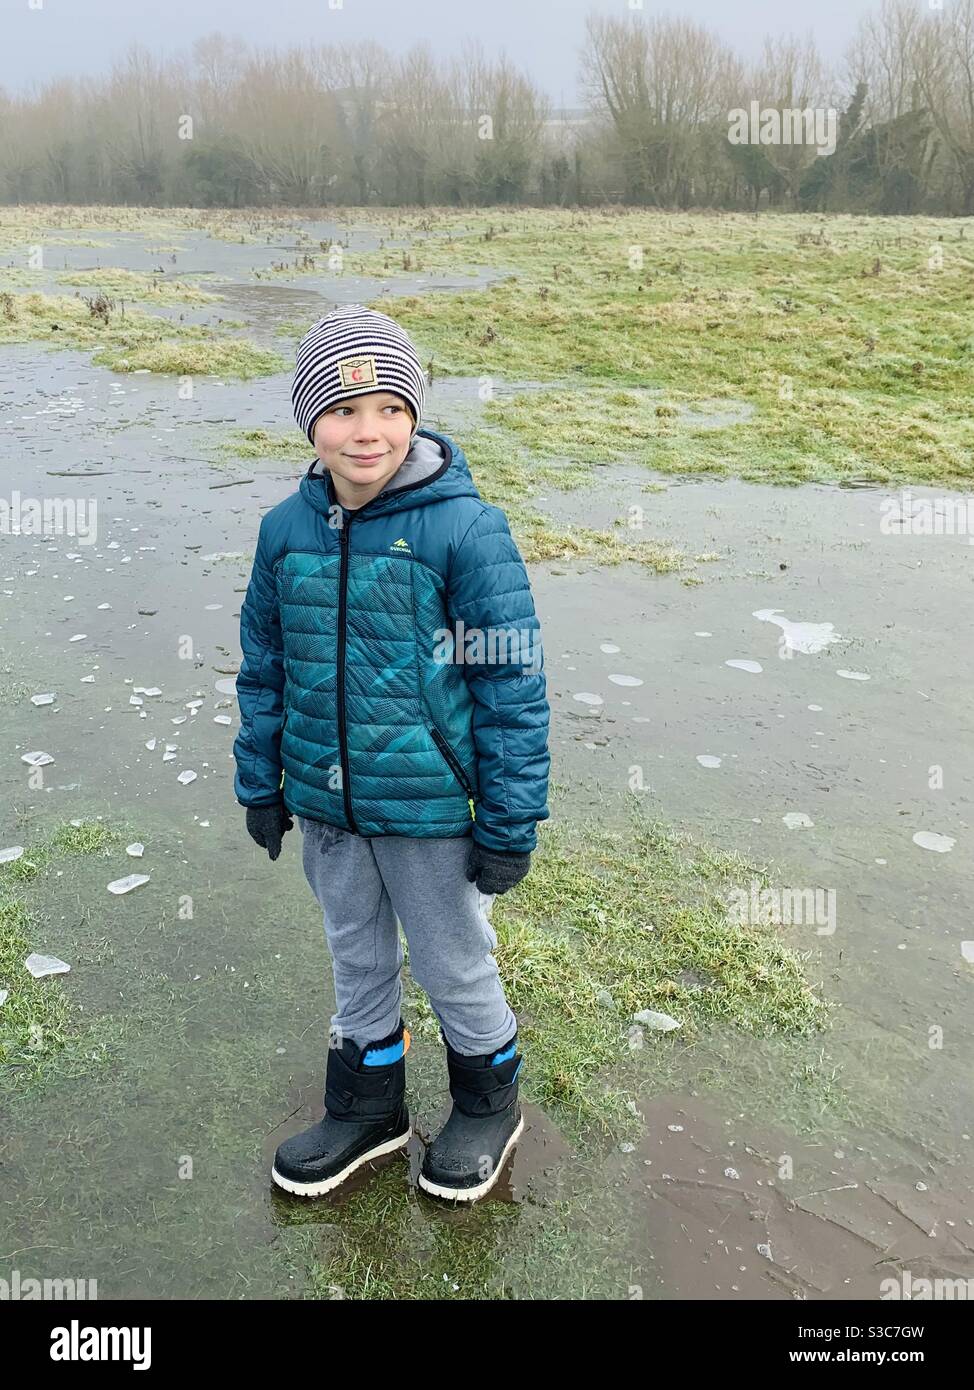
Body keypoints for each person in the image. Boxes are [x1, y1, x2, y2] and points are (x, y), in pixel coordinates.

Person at [232, 304, 550, 1202]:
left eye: (387, 408)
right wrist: (263, 780)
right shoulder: (282, 532)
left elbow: (511, 685)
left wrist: (511, 817)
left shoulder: (466, 531)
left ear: (414, 415)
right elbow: (265, 667)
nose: (365, 431)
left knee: (453, 958)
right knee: (356, 955)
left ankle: (489, 1099)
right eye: (340, 408)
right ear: (309, 421)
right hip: (331, 809)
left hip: (432, 810)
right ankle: (369, 1108)